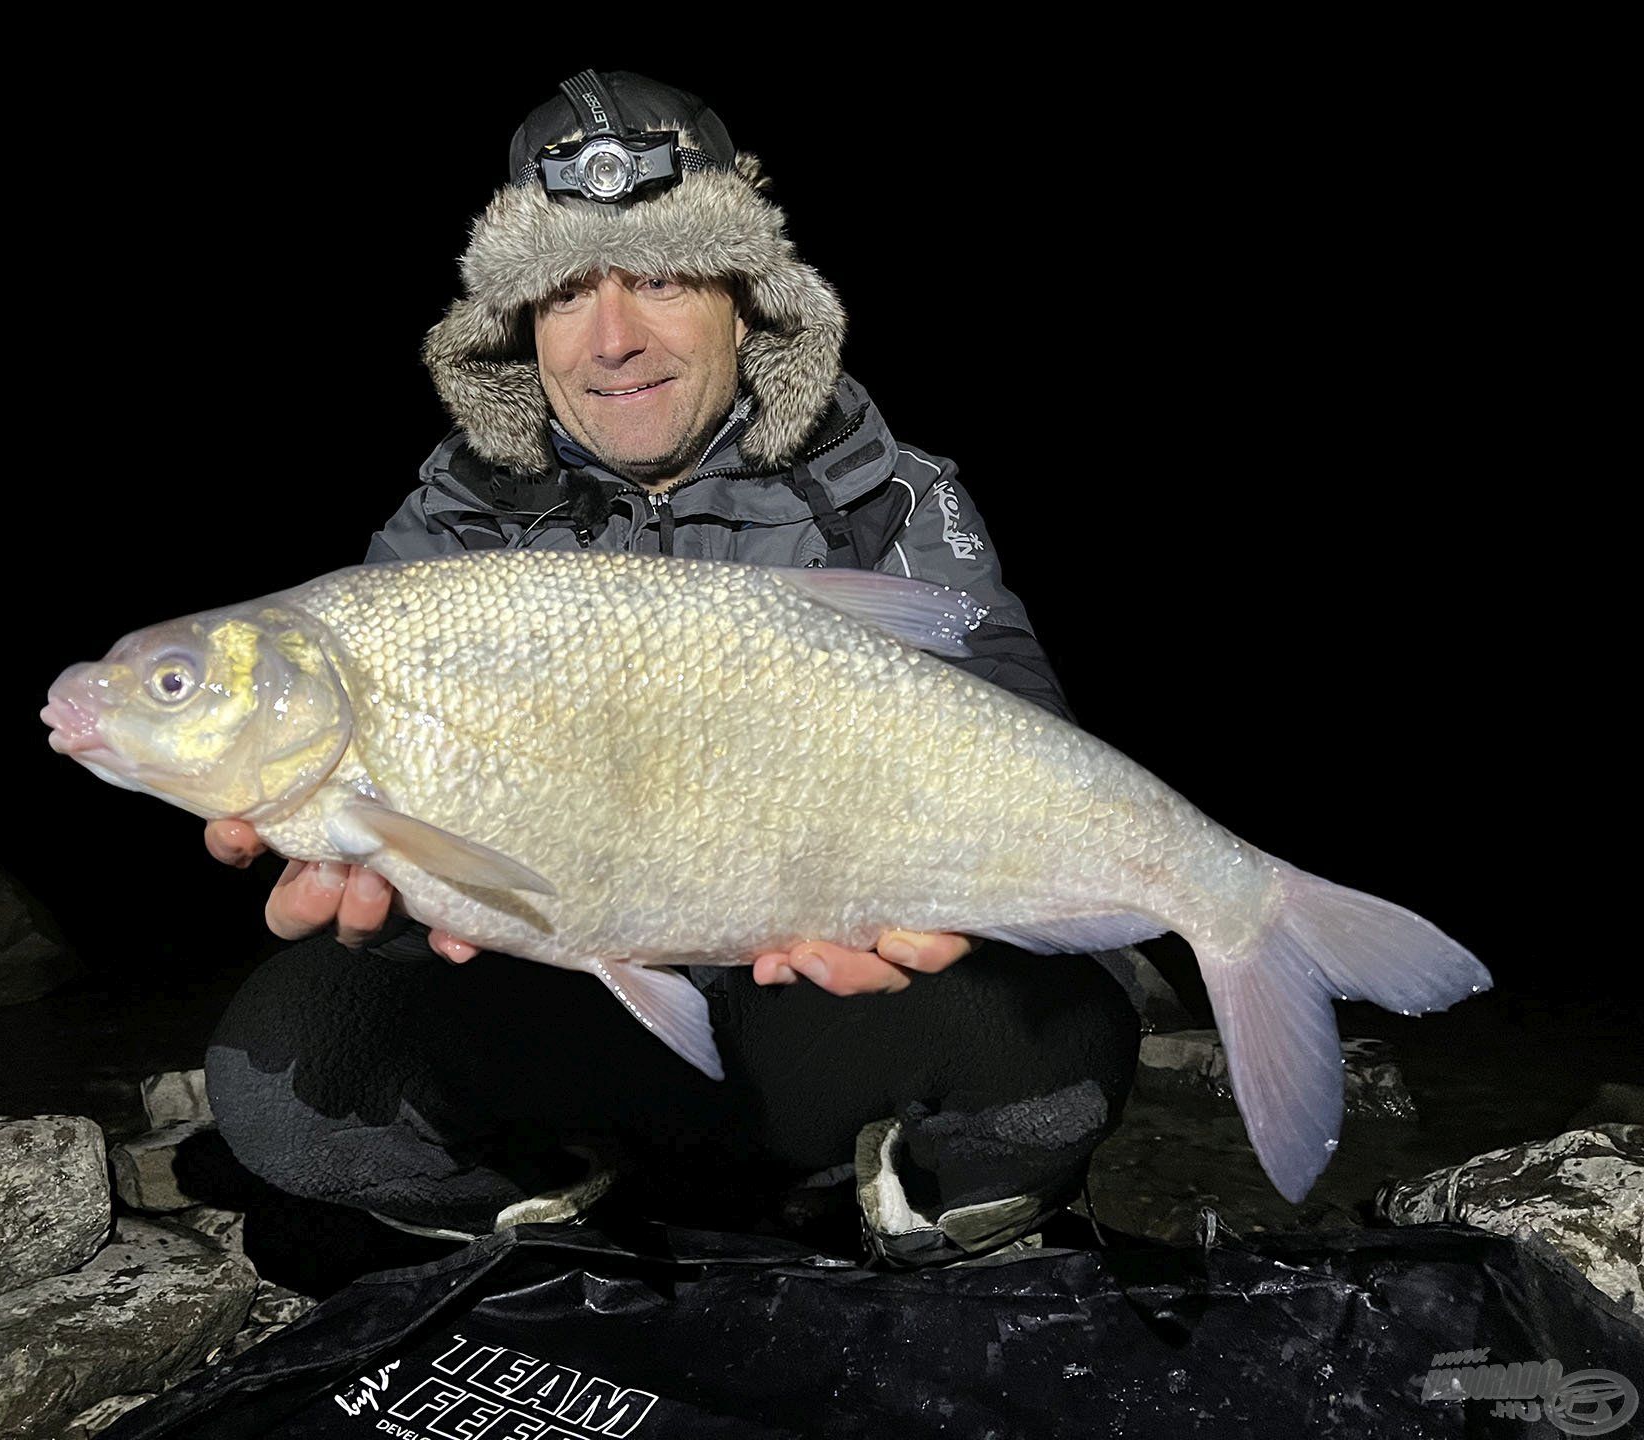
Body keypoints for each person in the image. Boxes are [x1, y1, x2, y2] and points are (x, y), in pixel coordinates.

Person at [202, 72, 1137, 1264]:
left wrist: (939, 884)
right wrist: (385, 906)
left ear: (747, 299)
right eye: (562, 293)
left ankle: (896, 1184)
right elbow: (396, 822)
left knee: (1067, 1045)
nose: (612, 339)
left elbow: (1021, 722)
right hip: (582, 1023)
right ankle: (565, 1191)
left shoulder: (883, 495)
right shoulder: (455, 526)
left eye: (660, 276)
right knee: (280, 1077)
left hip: (823, 1024)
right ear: (518, 328)